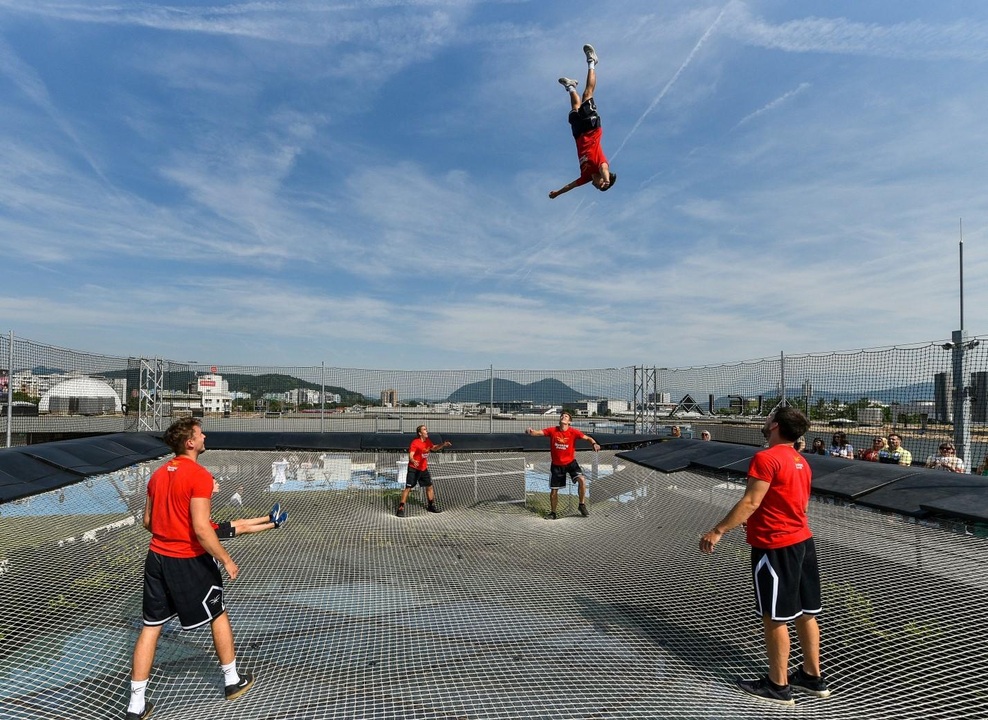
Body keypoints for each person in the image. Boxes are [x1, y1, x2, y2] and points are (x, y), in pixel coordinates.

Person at [699, 407, 829, 706]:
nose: (765, 421)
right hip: (803, 542)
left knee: (775, 617)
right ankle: (812, 677)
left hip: (775, 546)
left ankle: (778, 686)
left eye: (769, 418)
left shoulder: (766, 458)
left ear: (776, 427)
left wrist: (717, 531)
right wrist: (757, 517)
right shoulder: (800, 461)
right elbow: (796, 505)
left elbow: (751, 500)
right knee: (806, 614)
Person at [126, 418, 253, 720]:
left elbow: (148, 522)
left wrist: (169, 532)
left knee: (150, 627)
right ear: (190, 443)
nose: (205, 435)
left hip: (156, 558)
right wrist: (226, 559)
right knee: (218, 613)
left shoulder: (157, 475)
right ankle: (232, 681)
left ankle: (135, 705)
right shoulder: (199, 475)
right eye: (200, 433)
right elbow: (201, 529)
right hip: (188, 560)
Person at [549, 44, 616, 199]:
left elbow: (570, 186)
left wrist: (557, 193)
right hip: (592, 129)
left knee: (574, 109)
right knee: (587, 94)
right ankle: (592, 61)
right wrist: (606, 179)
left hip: (579, 135)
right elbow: (605, 169)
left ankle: (571, 87)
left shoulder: (586, 176)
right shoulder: (601, 165)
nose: (595, 186)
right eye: (600, 186)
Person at [526, 411, 601, 519]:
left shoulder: (574, 432)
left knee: (582, 480)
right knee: (554, 491)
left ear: (569, 422)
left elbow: (588, 438)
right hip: (557, 466)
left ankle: (581, 504)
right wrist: (530, 431)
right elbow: (537, 433)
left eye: (566, 416)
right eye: (562, 416)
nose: (563, 417)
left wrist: (594, 443)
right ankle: (553, 513)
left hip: (571, 463)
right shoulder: (552, 430)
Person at [396, 425, 452, 517]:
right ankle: (401, 508)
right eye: (424, 430)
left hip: (423, 469)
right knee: (408, 488)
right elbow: (411, 454)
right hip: (414, 468)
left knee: (429, 486)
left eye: (426, 429)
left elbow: (433, 448)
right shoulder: (415, 442)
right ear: (420, 433)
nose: (427, 431)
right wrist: (413, 460)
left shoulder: (428, 441)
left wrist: (443, 444)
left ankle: (431, 506)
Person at [211, 478, 288, 538]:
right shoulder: (203, 501)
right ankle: (275, 524)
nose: (219, 484)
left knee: (241, 521)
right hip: (211, 534)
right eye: (216, 483)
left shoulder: (208, 498)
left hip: (213, 526)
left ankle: (270, 517)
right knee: (243, 528)